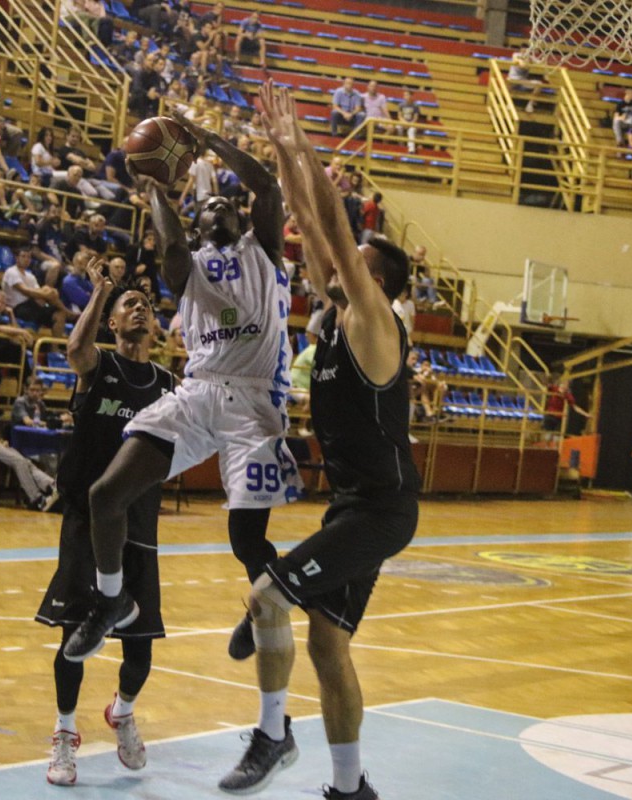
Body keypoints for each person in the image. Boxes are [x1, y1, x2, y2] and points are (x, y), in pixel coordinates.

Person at [214, 80, 418, 799]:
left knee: (268, 598)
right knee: (328, 644)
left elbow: (329, 223)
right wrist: (284, 154)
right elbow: (309, 221)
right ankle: (350, 786)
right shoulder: (333, 317)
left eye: (353, 258)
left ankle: (274, 735)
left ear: (375, 279)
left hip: (382, 510)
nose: (333, 260)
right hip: (355, 507)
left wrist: (307, 149)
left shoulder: (374, 321)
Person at [59, 111, 302, 666]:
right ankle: (111, 600)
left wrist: (212, 141)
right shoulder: (187, 266)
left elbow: (266, 186)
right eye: (205, 206)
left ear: (240, 217)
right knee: (105, 495)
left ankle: (265, 602)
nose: (216, 206)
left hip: (255, 404)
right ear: (194, 225)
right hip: (199, 393)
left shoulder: (264, 250)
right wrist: (155, 187)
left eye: (225, 204)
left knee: (246, 541)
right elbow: (169, 249)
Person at [36, 260, 175, 785]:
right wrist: (100, 291)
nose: (140, 309)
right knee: (74, 637)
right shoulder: (99, 367)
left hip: (139, 522)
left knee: (140, 650)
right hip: (86, 520)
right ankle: (64, 734)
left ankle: (123, 711)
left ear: (155, 326)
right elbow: (76, 349)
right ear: (112, 323)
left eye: (147, 306)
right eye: (129, 305)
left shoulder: (168, 384)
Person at [0, 380, 58, 511]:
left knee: (25, 461)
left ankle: (51, 486)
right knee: (18, 461)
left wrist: (1, 441)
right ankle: (35, 498)